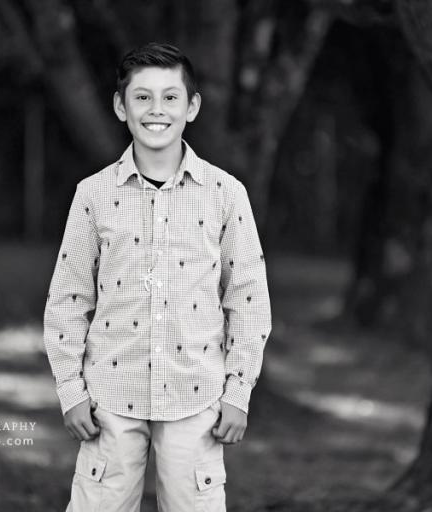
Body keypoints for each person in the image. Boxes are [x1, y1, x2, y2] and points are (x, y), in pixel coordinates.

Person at [43, 42, 272, 512]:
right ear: (119, 106)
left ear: (192, 107)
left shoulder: (226, 195)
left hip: (197, 399)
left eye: (170, 97)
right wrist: (70, 390)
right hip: (108, 398)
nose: (156, 110)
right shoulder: (93, 195)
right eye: (142, 97)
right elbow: (68, 297)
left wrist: (238, 392)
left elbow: (248, 299)